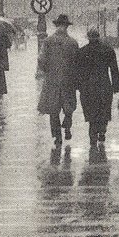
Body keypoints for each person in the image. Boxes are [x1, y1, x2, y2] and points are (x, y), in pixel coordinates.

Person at [37, 14, 80, 146]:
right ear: (67, 27)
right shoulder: (73, 42)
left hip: (52, 81)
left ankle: (57, 137)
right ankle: (67, 126)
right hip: (68, 80)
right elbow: (77, 62)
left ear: (56, 26)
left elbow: (41, 60)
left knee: (53, 110)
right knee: (69, 107)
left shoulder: (48, 41)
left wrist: (47, 71)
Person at [75, 27, 119, 148]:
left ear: (88, 37)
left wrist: (78, 86)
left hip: (88, 87)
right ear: (98, 36)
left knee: (91, 112)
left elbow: (78, 72)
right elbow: (114, 69)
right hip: (104, 85)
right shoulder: (108, 50)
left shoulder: (82, 52)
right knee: (104, 110)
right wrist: (116, 87)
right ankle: (102, 131)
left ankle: (92, 136)